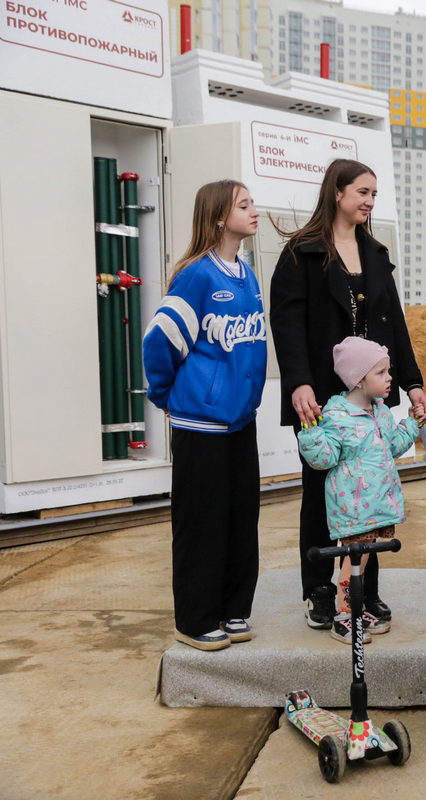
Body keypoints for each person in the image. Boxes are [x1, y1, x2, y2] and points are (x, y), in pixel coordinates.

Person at [270, 159, 426, 631]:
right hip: (321, 397)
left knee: (372, 493)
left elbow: (395, 325)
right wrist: (298, 381)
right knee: (321, 493)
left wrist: (413, 382)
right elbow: (287, 324)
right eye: (362, 192)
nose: (369, 201)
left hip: (371, 399)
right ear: (337, 192)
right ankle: (321, 591)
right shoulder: (302, 252)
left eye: (374, 195)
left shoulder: (376, 253)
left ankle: (364, 590)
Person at [143, 180, 267, 651]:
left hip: (241, 421)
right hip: (201, 425)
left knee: (240, 518)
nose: (253, 211)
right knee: (202, 522)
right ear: (218, 216)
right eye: (243, 204)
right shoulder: (196, 276)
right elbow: (160, 341)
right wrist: (169, 397)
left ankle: (233, 608)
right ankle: (195, 619)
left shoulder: (246, 274)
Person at [297, 337, 422, 643]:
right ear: (359, 379)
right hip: (353, 509)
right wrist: (311, 432)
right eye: (381, 372)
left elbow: (392, 445)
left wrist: (412, 425)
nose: (390, 377)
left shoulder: (380, 412)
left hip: (374, 507)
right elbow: (323, 459)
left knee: (360, 565)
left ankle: (355, 608)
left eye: (388, 371)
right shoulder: (337, 417)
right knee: (351, 565)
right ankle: (343, 617)